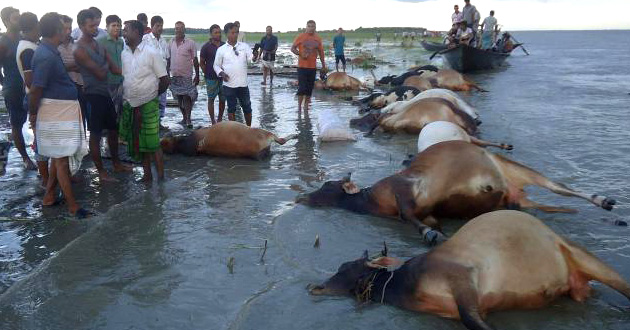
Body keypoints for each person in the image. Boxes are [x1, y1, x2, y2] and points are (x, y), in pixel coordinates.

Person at [29, 12, 89, 218]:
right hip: (55, 111)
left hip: (62, 110)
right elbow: (36, 88)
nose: (67, 31)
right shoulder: (45, 55)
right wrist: (33, 114)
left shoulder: (50, 51)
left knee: (58, 157)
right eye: (63, 28)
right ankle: (73, 206)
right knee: (61, 159)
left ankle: (49, 197)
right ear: (56, 30)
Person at [74, 9, 130, 182]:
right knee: (96, 134)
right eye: (91, 26)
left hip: (105, 93)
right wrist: (107, 65)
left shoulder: (98, 44)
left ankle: (116, 163)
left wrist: (136, 73)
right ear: (82, 26)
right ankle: (101, 172)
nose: (95, 28)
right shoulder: (79, 49)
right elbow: (100, 73)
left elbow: (115, 68)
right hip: (91, 95)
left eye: (97, 25)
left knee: (113, 129)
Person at [120, 20, 169, 182]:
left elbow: (164, 80)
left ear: (136, 32)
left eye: (126, 30)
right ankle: (147, 175)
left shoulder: (151, 52)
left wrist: (152, 96)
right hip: (131, 104)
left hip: (149, 104)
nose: (123, 33)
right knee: (139, 142)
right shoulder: (124, 53)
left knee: (153, 142)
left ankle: (161, 177)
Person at [0, 6, 37, 170]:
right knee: (17, 123)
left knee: (36, 120)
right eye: (16, 18)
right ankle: (25, 158)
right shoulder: (3, 43)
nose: (19, 20)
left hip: (31, 86)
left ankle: (40, 153)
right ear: (6, 21)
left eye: (20, 16)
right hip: (14, 87)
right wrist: (6, 84)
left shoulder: (25, 37)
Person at [16, 12, 49, 183]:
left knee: (43, 138)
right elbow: (30, 81)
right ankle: (45, 178)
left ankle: (47, 176)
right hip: (36, 98)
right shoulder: (28, 49)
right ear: (34, 25)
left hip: (36, 97)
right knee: (41, 141)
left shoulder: (30, 45)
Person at [213, 22, 254, 126]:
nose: (235, 34)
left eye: (236, 32)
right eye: (232, 32)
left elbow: (251, 59)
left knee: (247, 107)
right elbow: (216, 66)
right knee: (231, 108)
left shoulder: (244, 46)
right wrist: (222, 74)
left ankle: (249, 129)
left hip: (243, 84)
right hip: (229, 85)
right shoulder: (221, 50)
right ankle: (234, 131)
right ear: (227, 34)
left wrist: (255, 57)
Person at [168, 21, 199, 128]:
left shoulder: (190, 43)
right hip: (175, 75)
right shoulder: (170, 42)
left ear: (184, 29)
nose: (178, 30)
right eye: (177, 28)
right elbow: (168, 59)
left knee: (187, 97)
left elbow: (195, 59)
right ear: (174, 29)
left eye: (181, 28)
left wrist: (197, 75)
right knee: (178, 98)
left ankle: (189, 119)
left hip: (186, 75)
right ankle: (184, 117)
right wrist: (167, 74)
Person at [291, 20, 326, 113]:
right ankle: (299, 107)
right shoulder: (301, 37)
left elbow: (321, 53)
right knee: (302, 87)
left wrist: (323, 66)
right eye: (309, 26)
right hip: (302, 67)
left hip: (312, 67)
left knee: (309, 88)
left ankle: (306, 106)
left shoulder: (317, 38)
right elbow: (292, 48)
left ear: (315, 27)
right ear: (306, 27)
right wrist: (300, 54)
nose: (311, 28)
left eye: (313, 26)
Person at [58, 15, 87, 127]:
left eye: (70, 28)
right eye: (65, 28)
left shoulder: (76, 45)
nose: (68, 31)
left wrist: (66, 67)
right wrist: (71, 66)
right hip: (63, 87)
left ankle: (82, 143)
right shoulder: (54, 46)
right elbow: (57, 68)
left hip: (79, 85)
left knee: (81, 117)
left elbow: (82, 66)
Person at [143, 16, 169, 129]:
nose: (160, 28)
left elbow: (167, 59)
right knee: (150, 100)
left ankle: (158, 122)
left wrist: (167, 76)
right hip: (150, 76)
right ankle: (148, 123)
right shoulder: (145, 39)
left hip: (162, 77)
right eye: (157, 26)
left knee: (161, 101)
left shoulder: (163, 41)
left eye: (161, 26)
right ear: (152, 26)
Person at [98, 15, 124, 121]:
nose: (117, 28)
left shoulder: (121, 42)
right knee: (107, 109)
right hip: (107, 81)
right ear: (107, 27)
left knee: (118, 110)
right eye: (113, 25)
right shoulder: (100, 41)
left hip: (120, 81)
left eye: (118, 25)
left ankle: (115, 133)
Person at [199, 24, 225, 124]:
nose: (218, 34)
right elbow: (202, 62)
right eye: (216, 32)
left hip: (223, 77)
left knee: (223, 99)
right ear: (211, 34)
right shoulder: (206, 47)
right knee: (211, 99)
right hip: (211, 78)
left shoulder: (224, 46)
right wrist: (207, 73)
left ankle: (220, 119)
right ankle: (213, 121)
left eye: (219, 32)